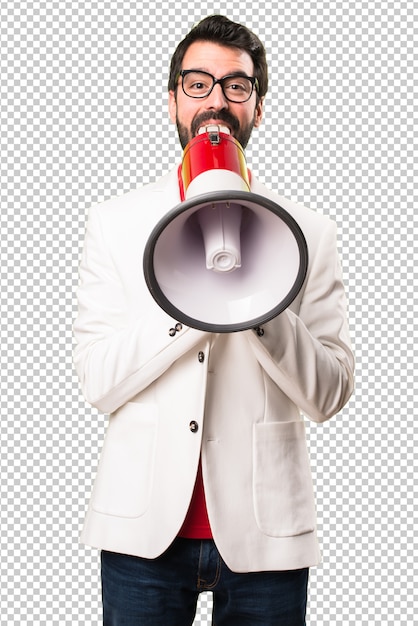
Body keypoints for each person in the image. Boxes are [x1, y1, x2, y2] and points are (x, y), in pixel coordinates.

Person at [73, 15, 354, 626]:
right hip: (143, 532)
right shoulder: (113, 222)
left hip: (266, 534)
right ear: (172, 98)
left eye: (237, 86)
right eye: (197, 83)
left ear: (258, 106)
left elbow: (329, 393)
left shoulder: (310, 230)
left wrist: (258, 303)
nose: (217, 101)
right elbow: (97, 382)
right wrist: (189, 305)